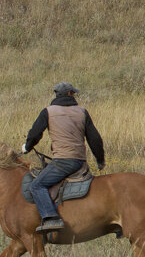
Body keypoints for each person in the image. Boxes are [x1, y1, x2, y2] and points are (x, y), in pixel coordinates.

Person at [22, 82, 106, 232]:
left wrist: (27, 147)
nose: (74, 95)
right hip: (80, 162)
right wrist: (100, 159)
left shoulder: (48, 112)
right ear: (69, 94)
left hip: (62, 162)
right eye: (73, 93)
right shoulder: (82, 112)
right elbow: (95, 139)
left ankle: (50, 218)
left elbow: (35, 134)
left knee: (36, 185)